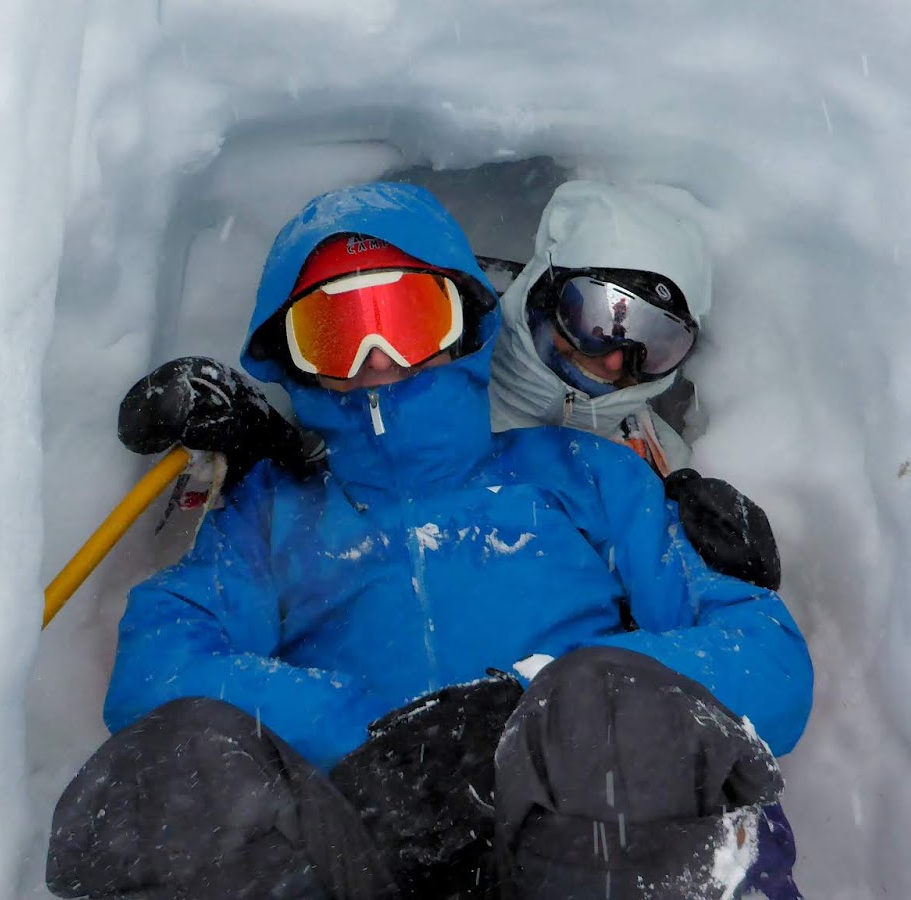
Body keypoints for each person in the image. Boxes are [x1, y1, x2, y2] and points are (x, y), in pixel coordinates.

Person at [47, 182, 813, 899]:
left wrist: (530, 703)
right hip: (358, 838)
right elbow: (157, 666)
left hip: (577, 829)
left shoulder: (585, 475)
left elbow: (765, 655)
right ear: (295, 361)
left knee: (609, 705)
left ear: (464, 329)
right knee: (177, 767)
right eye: (334, 334)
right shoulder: (274, 509)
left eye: (407, 318)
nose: (375, 360)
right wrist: (363, 730)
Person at [489, 180, 781, 592]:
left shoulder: (662, 460)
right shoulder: (447, 409)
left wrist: (729, 575)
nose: (613, 360)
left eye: (655, 344)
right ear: (543, 293)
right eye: (597, 321)